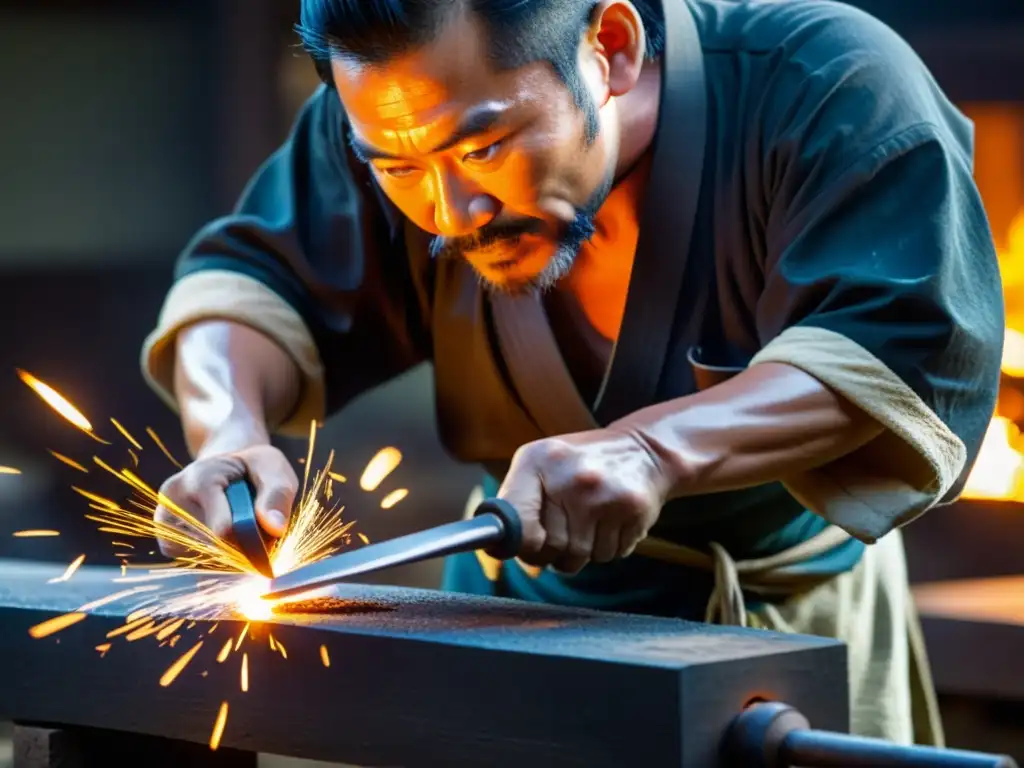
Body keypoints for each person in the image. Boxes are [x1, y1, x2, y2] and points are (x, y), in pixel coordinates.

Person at [141, 0, 1003, 745]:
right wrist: (229, 438)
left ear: (613, 46)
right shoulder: (394, 109)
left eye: (483, 147)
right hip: (510, 628)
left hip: (791, 637)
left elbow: (903, 342)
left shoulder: (829, 81)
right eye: (398, 169)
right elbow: (249, 284)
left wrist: (651, 452)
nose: (449, 215)